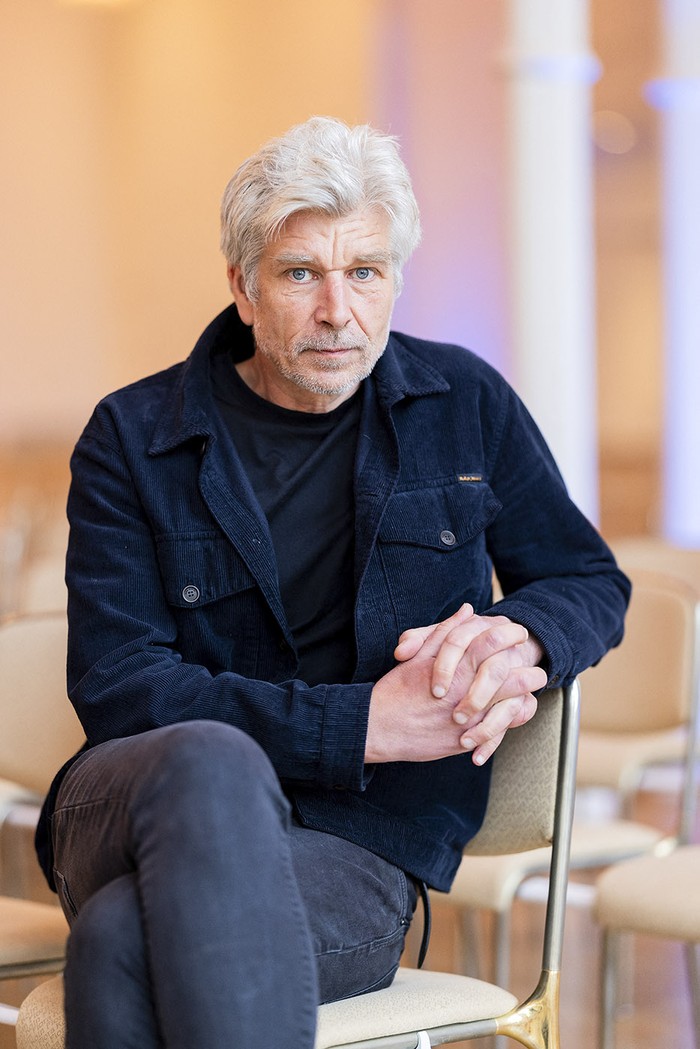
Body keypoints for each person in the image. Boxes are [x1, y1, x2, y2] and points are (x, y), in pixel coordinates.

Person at [37, 116, 630, 1049]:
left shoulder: (464, 402)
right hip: (137, 800)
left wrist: (521, 634)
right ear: (243, 285)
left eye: (366, 272)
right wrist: (361, 725)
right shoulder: (131, 433)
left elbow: (588, 577)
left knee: (119, 939)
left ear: (394, 278)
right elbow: (120, 685)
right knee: (209, 757)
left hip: (355, 846)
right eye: (301, 272)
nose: (338, 312)